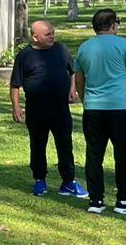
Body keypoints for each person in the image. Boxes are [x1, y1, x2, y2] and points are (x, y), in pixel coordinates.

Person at [73, 8, 126, 216]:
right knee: (124, 155)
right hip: (120, 109)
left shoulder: (84, 47)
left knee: (94, 154)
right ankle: (124, 200)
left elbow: (79, 79)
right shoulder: (124, 45)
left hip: (93, 109)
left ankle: (96, 200)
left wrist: (86, 99)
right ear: (113, 25)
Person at [9, 20, 84, 198]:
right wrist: (16, 107)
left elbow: (73, 71)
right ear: (35, 37)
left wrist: (73, 89)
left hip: (60, 109)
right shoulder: (24, 56)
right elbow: (15, 84)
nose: (52, 37)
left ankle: (68, 182)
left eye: (53, 33)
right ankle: (39, 180)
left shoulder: (60, 49)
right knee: (37, 146)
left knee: (65, 146)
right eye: (48, 34)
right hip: (36, 111)